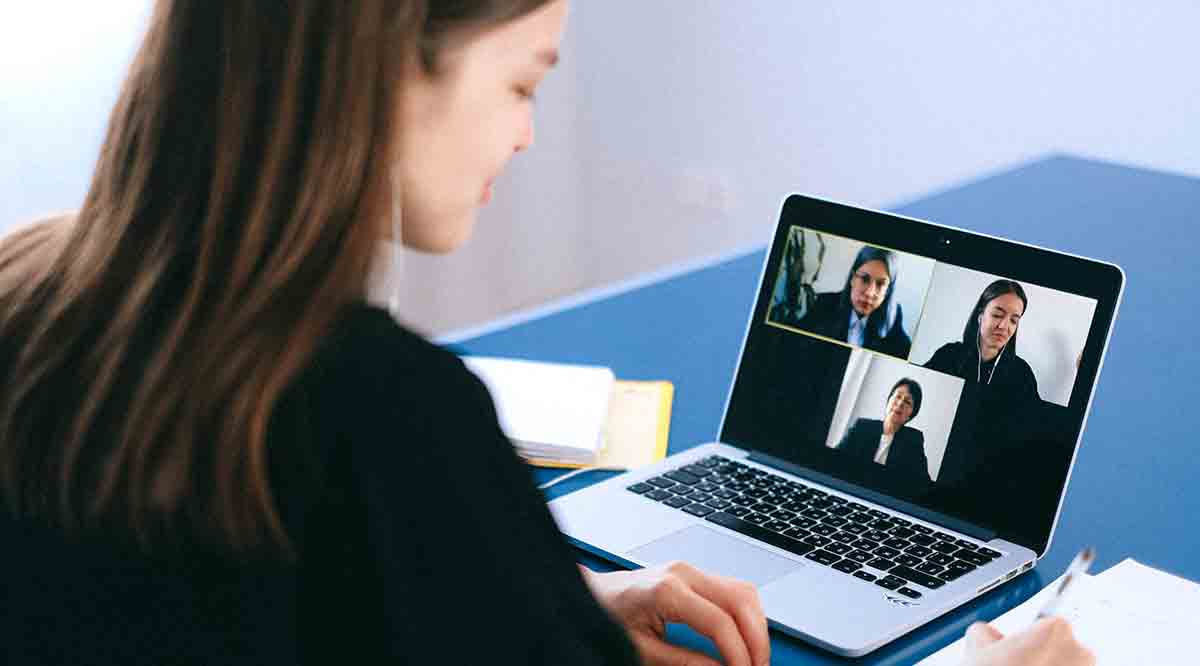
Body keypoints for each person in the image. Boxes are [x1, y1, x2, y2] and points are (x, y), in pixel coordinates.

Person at [0, 2, 1093, 665]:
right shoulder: (385, 415)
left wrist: (551, 602)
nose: (526, 135)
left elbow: (245, 608)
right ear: (387, 61)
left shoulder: (28, 289)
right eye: (524, 81)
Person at [922, 279, 1040, 403]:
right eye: (997, 315)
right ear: (980, 316)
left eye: (1013, 320)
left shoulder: (1022, 374)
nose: (1004, 326)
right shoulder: (948, 355)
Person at [797, 246, 913, 358]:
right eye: (864, 279)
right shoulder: (825, 304)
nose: (869, 292)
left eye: (880, 284)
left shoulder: (893, 321)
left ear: (888, 290)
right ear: (852, 278)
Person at [836, 378, 931, 490]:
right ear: (888, 401)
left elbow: (924, 484)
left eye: (907, 402)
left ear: (911, 415)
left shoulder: (913, 441)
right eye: (898, 396)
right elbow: (836, 459)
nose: (900, 403)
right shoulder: (862, 427)